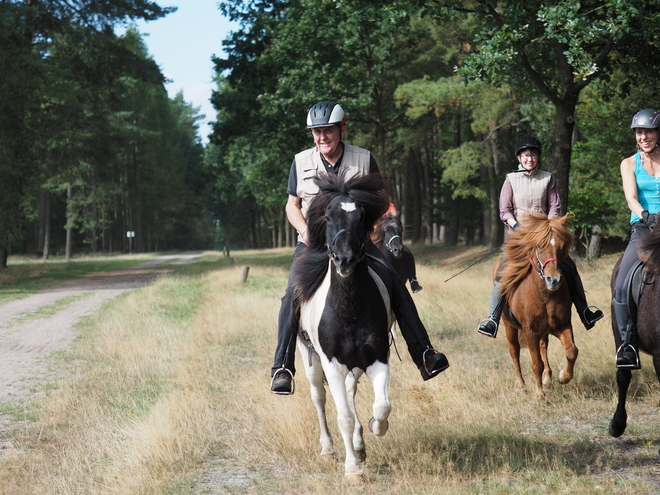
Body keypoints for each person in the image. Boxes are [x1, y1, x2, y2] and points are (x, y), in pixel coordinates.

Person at [270, 100, 449, 394]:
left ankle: (425, 354)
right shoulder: (301, 161)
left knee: (394, 283)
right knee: (291, 293)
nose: (321, 137)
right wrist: (303, 230)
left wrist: (375, 227)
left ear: (342, 128)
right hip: (315, 242)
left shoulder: (364, 158)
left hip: (358, 241)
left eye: (327, 131)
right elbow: (292, 204)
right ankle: (282, 367)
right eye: (316, 132)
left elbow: (379, 201)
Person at [477, 134, 603, 338]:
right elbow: (505, 210)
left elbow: (555, 207)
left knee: (569, 266)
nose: (530, 159)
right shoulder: (511, 179)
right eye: (526, 155)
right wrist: (516, 226)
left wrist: (549, 227)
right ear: (519, 157)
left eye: (533, 155)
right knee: (502, 271)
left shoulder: (547, 178)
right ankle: (492, 319)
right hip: (519, 237)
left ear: (538, 157)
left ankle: (584, 311)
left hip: (545, 236)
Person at [613, 108, 660, 369]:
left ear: (657, 134)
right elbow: (631, 197)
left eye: (648, 132)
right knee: (622, 282)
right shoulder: (628, 163)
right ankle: (627, 345)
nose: (643, 137)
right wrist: (644, 214)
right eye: (640, 132)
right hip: (643, 229)